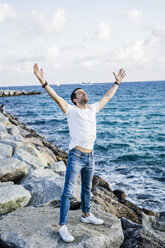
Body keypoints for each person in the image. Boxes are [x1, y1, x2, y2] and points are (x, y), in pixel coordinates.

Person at [33, 63, 126, 243]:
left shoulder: (92, 109)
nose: (84, 93)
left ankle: (86, 214)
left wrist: (117, 83)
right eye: (80, 93)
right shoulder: (72, 111)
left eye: (84, 92)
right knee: (68, 191)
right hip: (76, 156)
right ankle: (63, 226)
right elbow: (56, 97)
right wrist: (43, 81)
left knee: (86, 188)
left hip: (90, 156)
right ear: (75, 99)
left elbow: (107, 97)